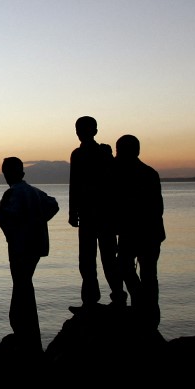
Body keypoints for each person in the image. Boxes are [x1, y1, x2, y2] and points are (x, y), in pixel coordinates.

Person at [0, 157, 59, 352]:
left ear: (8, 173)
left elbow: (3, 215)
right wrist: (39, 221)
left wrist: (15, 231)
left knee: (21, 285)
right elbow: (53, 204)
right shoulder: (34, 192)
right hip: (35, 247)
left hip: (20, 247)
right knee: (24, 284)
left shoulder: (13, 193)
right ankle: (29, 332)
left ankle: (22, 328)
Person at [68, 115, 126, 309]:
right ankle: (92, 300)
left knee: (106, 258)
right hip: (89, 215)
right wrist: (72, 211)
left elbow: (114, 185)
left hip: (102, 215)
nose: (80, 133)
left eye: (83, 129)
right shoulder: (80, 154)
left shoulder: (102, 154)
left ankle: (116, 297)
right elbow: (74, 185)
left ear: (93, 131)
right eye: (78, 129)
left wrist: (72, 211)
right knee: (88, 260)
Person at [113, 135, 166, 328]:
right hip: (151, 232)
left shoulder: (127, 173)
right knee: (147, 273)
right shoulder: (149, 172)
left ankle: (142, 306)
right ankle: (149, 312)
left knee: (129, 269)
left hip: (137, 232)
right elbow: (158, 207)